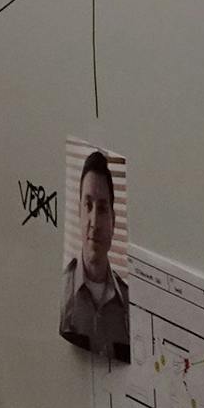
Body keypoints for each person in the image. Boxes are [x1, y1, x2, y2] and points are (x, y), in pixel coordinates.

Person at [61, 151, 132, 361]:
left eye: (102, 208)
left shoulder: (129, 304)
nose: (94, 221)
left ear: (114, 220)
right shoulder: (62, 292)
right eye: (88, 205)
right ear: (79, 213)